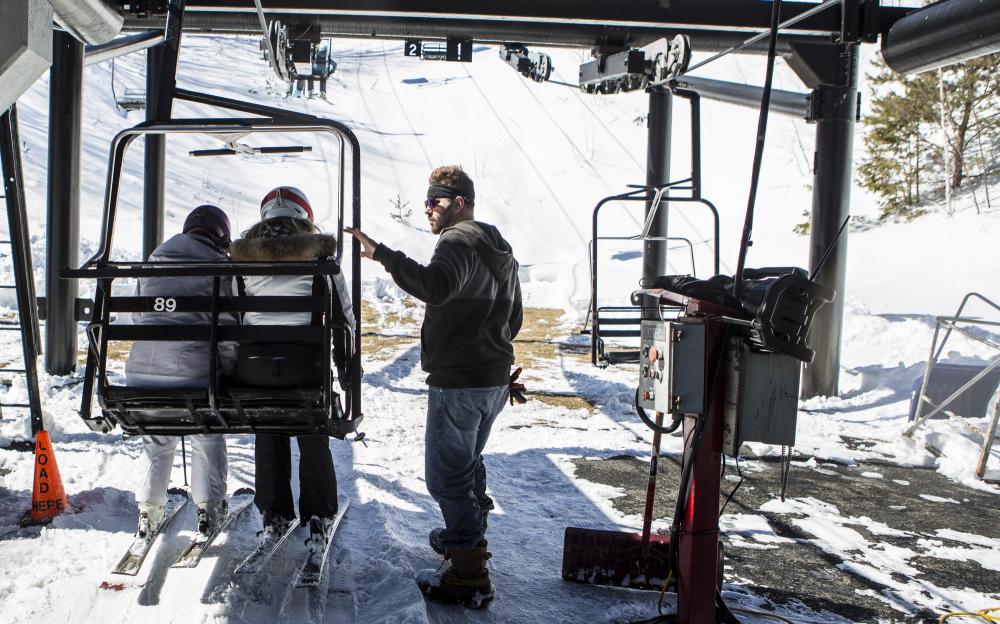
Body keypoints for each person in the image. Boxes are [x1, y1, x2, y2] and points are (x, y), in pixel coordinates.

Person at [346, 165, 522, 608]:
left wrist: (382, 254)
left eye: (436, 201)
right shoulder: (498, 246)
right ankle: (467, 536)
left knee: (446, 477)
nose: (428, 208)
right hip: (492, 379)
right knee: (466, 463)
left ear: (458, 203)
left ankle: (469, 572)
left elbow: (436, 287)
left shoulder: (458, 239)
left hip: (461, 381)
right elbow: (514, 317)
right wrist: (491, 352)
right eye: (427, 200)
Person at [229, 186, 354, 547]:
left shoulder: (241, 261)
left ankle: (273, 511)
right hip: (306, 369)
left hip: (254, 372)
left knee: (268, 420)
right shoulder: (321, 260)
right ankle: (318, 512)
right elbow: (344, 319)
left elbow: (230, 316)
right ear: (306, 220)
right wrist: (346, 371)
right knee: (311, 422)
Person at [125, 205, 236, 539]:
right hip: (195, 376)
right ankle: (210, 508)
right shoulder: (221, 267)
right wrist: (226, 369)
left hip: (141, 377)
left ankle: (149, 509)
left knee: (157, 433)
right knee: (207, 427)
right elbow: (230, 328)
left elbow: (138, 319)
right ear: (222, 238)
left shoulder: (154, 262)